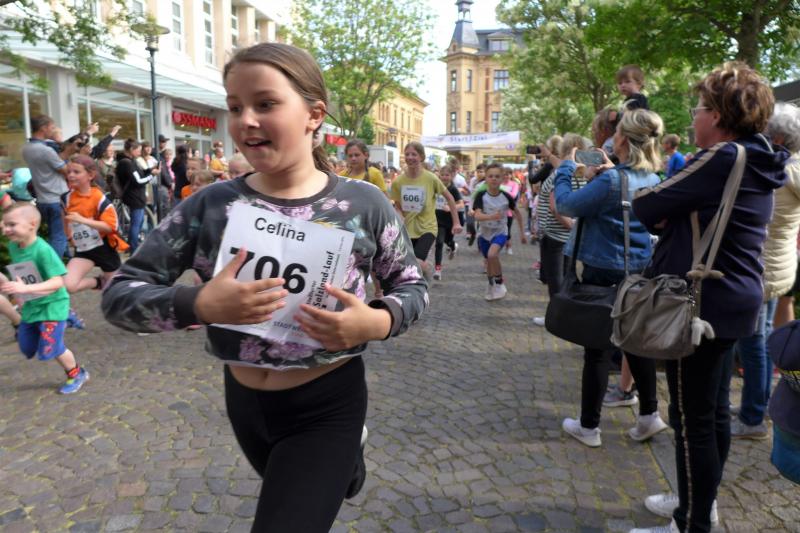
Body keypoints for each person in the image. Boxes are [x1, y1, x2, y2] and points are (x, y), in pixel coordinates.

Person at [101, 42, 427, 533]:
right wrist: (198, 303)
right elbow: (118, 296)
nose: (246, 120)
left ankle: (340, 456)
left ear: (314, 115)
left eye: (266, 103)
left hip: (328, 401)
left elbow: (412, 285)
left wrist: (377, 321)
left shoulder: (364, 203)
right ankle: (346, 467)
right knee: (307, 489)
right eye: (235, 107)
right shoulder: (210, 205)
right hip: (246, 403)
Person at [631, 62, 788, 533]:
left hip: (700, 303)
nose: (693, 117)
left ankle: (691, 521)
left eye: (698, 108)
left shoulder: (721, 156)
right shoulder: (762, 156)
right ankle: (702, 505)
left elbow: (647, 205)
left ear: (717, 115)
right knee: (714, 412)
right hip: (738, 297)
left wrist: (675, 213)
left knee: (690, 420)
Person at [553, 109, 667, 449]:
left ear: (623, 140)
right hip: (639, 269)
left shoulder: (611, 180)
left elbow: (566, 205)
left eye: (616, 132)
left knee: (598, 347)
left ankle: (589, 426)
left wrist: (566, 169)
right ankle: (649, 415)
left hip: (603, 268)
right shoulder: (652, 178)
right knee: (635, 342)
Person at [729, 102, 800, 440]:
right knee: (761, 336)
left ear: (778, 139)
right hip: (779, 268)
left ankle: (753, 418)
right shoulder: (794, 169)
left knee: (754, 342)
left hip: (761, 270)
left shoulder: (777, 172)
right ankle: (757, 403)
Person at [0, 203, 89, 394]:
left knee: (51, 347)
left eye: (12, 224)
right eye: (4, 224)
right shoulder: (14, 246)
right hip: (33, 304)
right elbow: (23, 274)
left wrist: (25, 288)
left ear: (32, 224)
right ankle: (67, 317)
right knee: (27, 347)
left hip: (52, 304)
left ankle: (76, 373)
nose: (6, 229)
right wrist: (17, 291)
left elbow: (58, 282)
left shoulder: (43, 250)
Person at [390, 141, 462, 281]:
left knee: (416, 260)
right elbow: (398, 205)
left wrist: (456, 222)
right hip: (408, 228)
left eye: (414, 154)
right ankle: (421, 279)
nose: (410, 157)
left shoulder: (431, 178)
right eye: (407, 154)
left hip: (427, 228)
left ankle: (426, 272)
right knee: (408, 263)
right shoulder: (398, 182)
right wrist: (400, 216)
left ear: (421, 157)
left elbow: (450, 198)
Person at [61, 155, 128, 293]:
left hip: (104, 249)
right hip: (83, 250)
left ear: (90, 175)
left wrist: (83, 220)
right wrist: (69, 235)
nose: (71, 175)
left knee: (117, 290)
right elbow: (65, 218)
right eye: (69, 172)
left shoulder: (99, 198)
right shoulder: (66, 197)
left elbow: (111, 227)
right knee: (68, 286)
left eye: (76, 172)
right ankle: (99, 282)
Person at [472, 163, 526, 300]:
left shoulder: (506, 196)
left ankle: (500, 283)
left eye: (497, 176)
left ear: (502, 179)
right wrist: (491, 216)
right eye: (490, 176)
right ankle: (491, 285)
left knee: (492, 255)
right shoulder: (481, 196)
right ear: (486, 178)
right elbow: (477, 215)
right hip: (484, 234)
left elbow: (518, 213)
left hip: (500, 232)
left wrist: (522, 233)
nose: (494, 179)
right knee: (489, 260)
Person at [21, 115, 69, 258]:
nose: (53, 130)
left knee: (56, 233)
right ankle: (53, 267)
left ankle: (68, 258)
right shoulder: (46, 150)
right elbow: (66, 170)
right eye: (52, 127)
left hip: (42, 199)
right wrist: (67, 151)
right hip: (56, 199)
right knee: (59, 236)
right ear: (43, 128)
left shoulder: (27, 148)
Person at [115, 138, 151, 254]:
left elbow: (139, 175)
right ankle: (134, 249)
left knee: (137, 223)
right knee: (136, 224)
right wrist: (151, 176)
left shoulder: (130, 161)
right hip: (134, 197)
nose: (140, 152)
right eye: (138, 150)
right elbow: (138, 181)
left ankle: (132, 246)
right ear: (131, 149)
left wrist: (150, 170)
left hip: (136, 196)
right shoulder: (127, 163)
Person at [433, 165, 463, 280]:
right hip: (437, 220)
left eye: (447, 175)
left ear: (451, 176)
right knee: (439, 243)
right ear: (439, 175)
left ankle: (453, 245)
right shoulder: (436, 186)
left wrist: (450, 208)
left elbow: (461, 204)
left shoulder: (453, 189)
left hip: (450, 220)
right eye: (442, 175)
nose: (444, 177)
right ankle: (437, 269)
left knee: (447, 240)